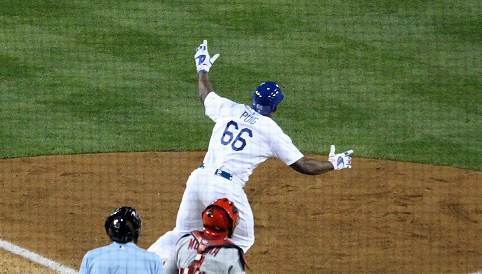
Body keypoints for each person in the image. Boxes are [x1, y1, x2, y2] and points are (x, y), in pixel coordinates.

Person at [148, 39, 354, 261]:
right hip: (225, 188)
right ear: (274, 108)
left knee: (181, 232)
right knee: (243, 240)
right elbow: (305, 166)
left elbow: (204, 93)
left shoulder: (229, 109)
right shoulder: (270, 130)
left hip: (198, 178)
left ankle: (145, 262)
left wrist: (202, 67)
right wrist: (335, 162)